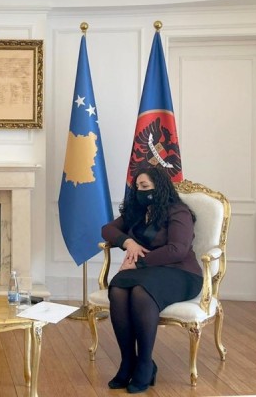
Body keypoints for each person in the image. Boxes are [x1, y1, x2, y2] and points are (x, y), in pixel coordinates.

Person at [101, 167, 202, 394]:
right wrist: (128, 243)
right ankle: (128, 361)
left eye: (145, 186)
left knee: (141, 292)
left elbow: (177, 249)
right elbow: (107, 230)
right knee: (117, 288)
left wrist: (139, 263)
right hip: (147, 271)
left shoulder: (178, 211)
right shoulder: (137, 211)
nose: (140, 191)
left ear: (160, 187)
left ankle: (146, 363)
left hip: (181, 272)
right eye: (137, 187)